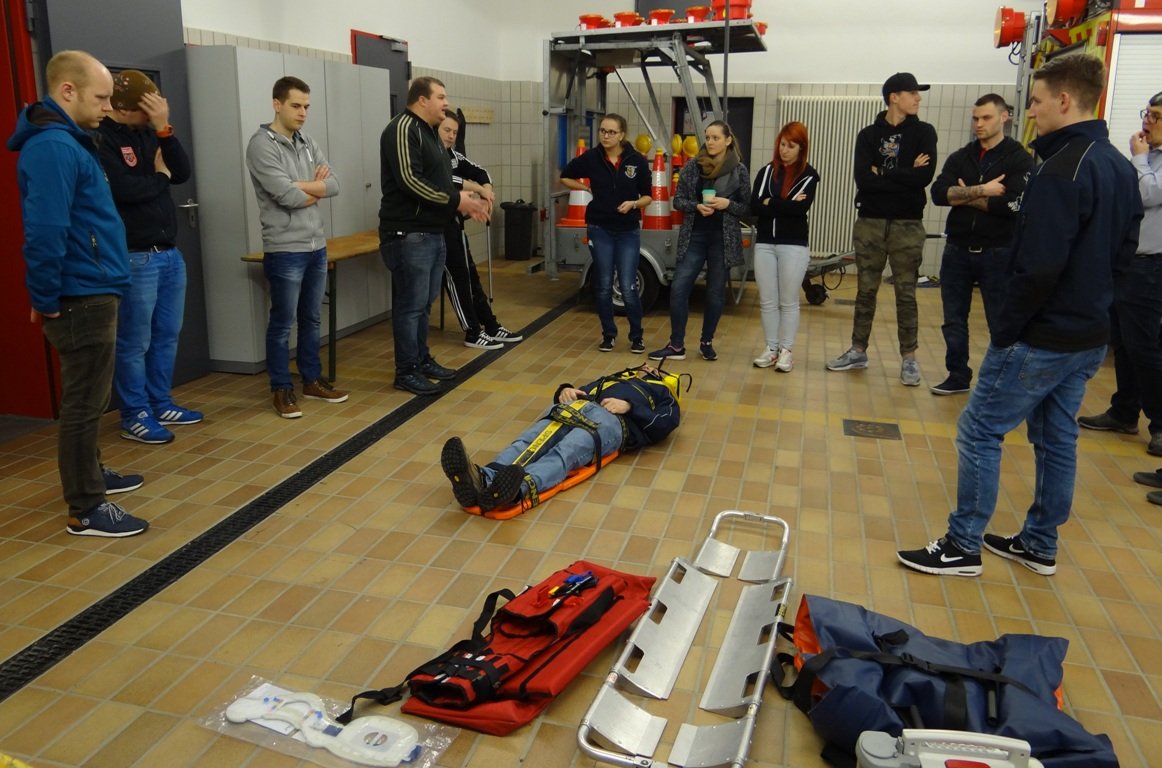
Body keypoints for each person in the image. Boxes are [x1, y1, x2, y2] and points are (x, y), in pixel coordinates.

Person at [897, 54, 1142, 577]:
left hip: (1043, 335)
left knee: (979, 430)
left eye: (1034, 101)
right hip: (1087, 335)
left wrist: (1009, 329)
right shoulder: (1118, 164)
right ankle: (1038, 543)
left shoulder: (1060, 170)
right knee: (1056, 437)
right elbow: (1126, 253)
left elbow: (1039, 264)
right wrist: (1098, 313)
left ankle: (962, 546)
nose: (1029, 112)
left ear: (1063, 100)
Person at [9, 50, 148, 537]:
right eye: (101, 97)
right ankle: (86, 507)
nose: (108, 108)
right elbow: (46, 231)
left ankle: (91, 472)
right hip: (80, 294)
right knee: (84, 403)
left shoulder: (70, 142)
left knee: (89, 397)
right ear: (67, 90)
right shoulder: (54, 148)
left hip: (91, 286)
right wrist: (44, 295)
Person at [97, 69, 203, 445]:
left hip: (169, 253)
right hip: (134, 256)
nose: (155, 115)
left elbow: (182, 172)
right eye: (151, 111)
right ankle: (134, 413)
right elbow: (124, 191)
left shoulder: (149, 132)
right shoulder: (102, 137)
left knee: (166, 335)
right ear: (128, 109)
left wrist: (164, 130)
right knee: (133, 341)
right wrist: (158, 176)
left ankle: (160, 401)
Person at [440, 363, 680, 511]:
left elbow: (665, 423)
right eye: (645, 364)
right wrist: (565, 390)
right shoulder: (614, 378)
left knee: (566, 452)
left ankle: (517, 489)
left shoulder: (661, 392)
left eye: (653, 368)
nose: (648, 367)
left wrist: (629, 407)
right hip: (575, 407)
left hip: (612, 420)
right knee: (529, 441)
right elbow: (579, 390)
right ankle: (484, 478)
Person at [246, 75, 348, 418]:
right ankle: (281, 388)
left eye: (306, 106)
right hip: (285, 248)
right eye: (296, 106)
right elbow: (286, 196)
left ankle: (311, 379)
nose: (303, 113)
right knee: (282, 321)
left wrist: (305, 187)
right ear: (277, 104)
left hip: (316, 245)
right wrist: (311, 188)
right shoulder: (261, 145)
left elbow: (334, 184)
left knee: (311, 318)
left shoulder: (307, 141)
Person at [380, 77, 490, 395]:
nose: (446, 103)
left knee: (424, 304)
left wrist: (465, 202)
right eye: (441, 97)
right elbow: (409, 181)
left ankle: (421, 359)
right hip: (408, 234)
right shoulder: (402, 128)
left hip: (432, 231)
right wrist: (458, 200)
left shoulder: (430, 133)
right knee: (410, 305)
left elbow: (440, 182)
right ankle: (406, 370)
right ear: (422, 100)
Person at [827, 72, 937, 386]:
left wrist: (883, 173)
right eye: (913, 93)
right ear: (894, 97)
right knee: (865, 292)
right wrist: (904, 173)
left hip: (907, 224)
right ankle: (857, 350)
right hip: (871, 223)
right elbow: (864, 179)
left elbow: (924, 177)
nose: (918, 98)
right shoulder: (868, 135)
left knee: (906, 293)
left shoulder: (925, 133)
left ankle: (909, 360)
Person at [928, 94, 1034, 396]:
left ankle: (1001, 382)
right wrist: (984, 191)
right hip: (958, 250)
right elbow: (938, 194)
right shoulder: (962, 156)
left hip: (998, 252)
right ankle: (958, 375)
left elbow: (1015, 204)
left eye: (986, 118)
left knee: (1000, 320)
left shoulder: (1018, 159)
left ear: (1004, 117)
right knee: (953, 319)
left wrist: (964, 197)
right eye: (975, 118)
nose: (979, 124)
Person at [1077, 90, 1162, 456]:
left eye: (1157, 116)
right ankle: (1125, 410)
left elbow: (1147, 194)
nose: (1147, 121)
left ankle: (1159, 425)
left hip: (1153, 265)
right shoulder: (1149, 156)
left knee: (1145, 346)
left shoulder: (1146, 160)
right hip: (1129, 262)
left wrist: (1139, 160)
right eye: (1148, 113)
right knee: (1124, 342)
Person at [650, 120, 750, 363]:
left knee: (715, 293)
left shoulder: (739, 170)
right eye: (708, 137)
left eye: (716, 137)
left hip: (722, 239)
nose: (711, 142)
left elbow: (747, 207)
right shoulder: (693, 167)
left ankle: (706, 342)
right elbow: (678, 201)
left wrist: (728, 205)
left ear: (727, 140)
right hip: (695, 235)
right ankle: (676, 345)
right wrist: (695, 206)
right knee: (679, 287)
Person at [560, 114, 652, 353]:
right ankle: (608, 335)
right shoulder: (591, 158)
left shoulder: (636, 161)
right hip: (599, 228)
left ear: (622, 134)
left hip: (627, 230)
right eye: (602, 131)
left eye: (611, 132)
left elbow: (648, 196)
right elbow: (565, 176)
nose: (606, 136)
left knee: (628, 286)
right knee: (602, 285)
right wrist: (585, 187)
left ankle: (636, 337)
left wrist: (633, 204)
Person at [437, 112, 522, 350]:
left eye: (455, 132)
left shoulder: (454, 155)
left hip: (455, 225)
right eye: (446, 130)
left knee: (471, 277)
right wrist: (479, 190)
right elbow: (447, 181)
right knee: (458, 280)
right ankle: (472, 332)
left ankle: (491, 325)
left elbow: (481, 172)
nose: (451, 136)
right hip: (436, 228)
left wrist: (486, 190)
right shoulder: (431, 155)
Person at [750, 121, 820, 372]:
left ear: (802, 148)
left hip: (794, 245)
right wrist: (781, 203)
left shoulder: (809, 175)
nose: (785, 150)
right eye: (782, 144)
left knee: (789, 300)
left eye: (791, 146)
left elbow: (800, 209)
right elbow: (754, 207)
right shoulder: (766, 172)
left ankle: (787, 351)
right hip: (765, 243)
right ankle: (771, 348)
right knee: (768, 300)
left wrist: (770, 202)